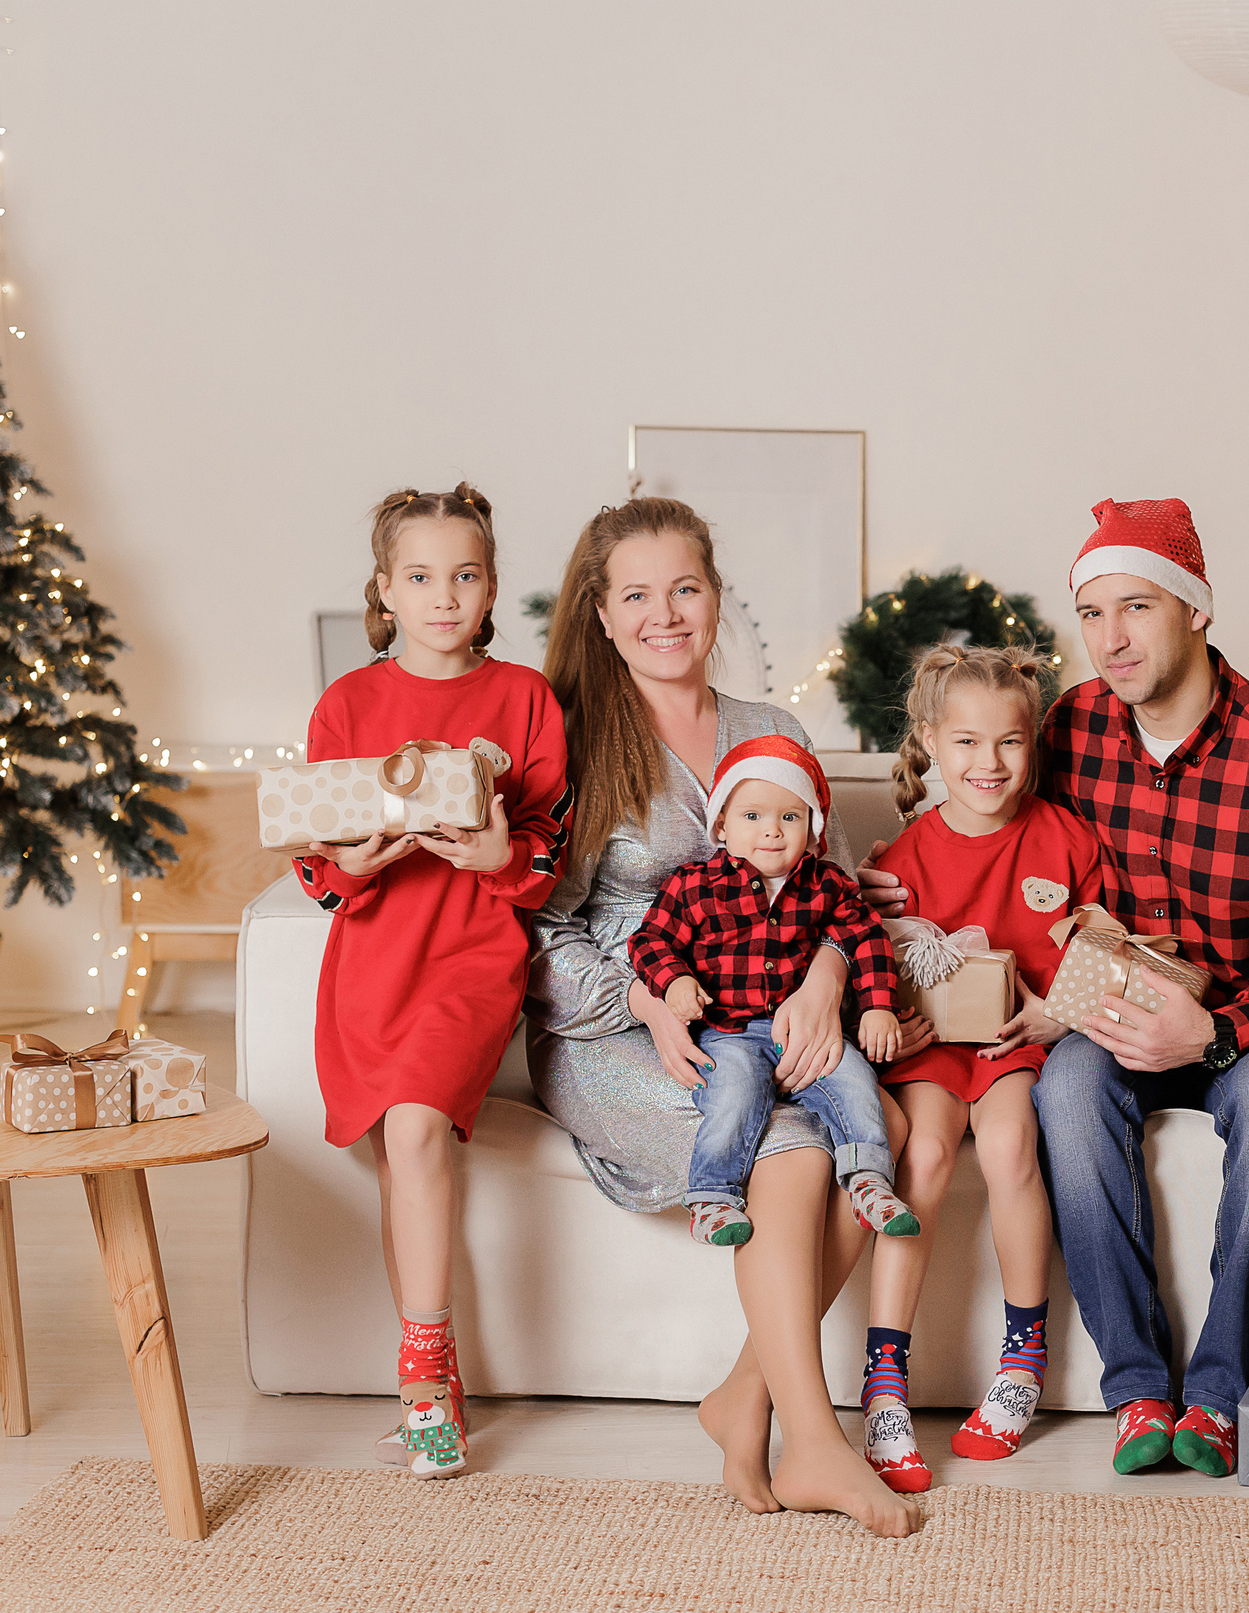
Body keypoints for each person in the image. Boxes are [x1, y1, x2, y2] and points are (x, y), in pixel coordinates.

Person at [860, 498, 1249, 1479]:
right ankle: (1138, 1391)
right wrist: (892, 880)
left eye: (1134, 608)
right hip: (1110, 1010)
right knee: (1067, 1089)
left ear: (1195, 610)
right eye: (1091, 614)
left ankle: (1216, 1394)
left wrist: (1217, 1032)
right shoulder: (1070, 726)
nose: (1111, 639)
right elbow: (987, 814)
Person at [524, 496, 925, 1537]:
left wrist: (829, 981)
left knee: (891, 1134)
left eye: (686, 589)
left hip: (765, 1010)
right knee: (791, 1151)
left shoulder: (774, 730)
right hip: (616, 1030)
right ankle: (819, 1443)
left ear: (715, 598)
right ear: (601, 615)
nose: (666, 615)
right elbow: (535, 935)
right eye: (638, 595)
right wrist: (646, 998)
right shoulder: (570, 742)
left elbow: (830, 890)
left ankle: (742, 1398)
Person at [294, 483, 572, 1480]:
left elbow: (545, 860)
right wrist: (350, 867)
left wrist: (498, 849)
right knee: (392, 1150)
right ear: (385, 588)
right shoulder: (349, 705)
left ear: (491, 586)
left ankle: (422, 1375)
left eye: (464, 575)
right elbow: (315, 857)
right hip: (371, 956)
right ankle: (432, 1371)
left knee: (414, 1128)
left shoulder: (525, 700)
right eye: (420, 577)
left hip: (471, 950)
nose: (444, 596)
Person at [856, 644, 1103, 1492]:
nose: (987, 764)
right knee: (921, 1158)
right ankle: (883, 1379)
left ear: (1033, 740)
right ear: (929, 740)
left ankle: (1021, 1361)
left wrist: (1055, 1012)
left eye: (1008, 743)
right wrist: (892, 1005)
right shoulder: (908, 855)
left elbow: (1103, 950)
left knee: (1007, 1149)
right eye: (964, 743)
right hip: (933, 1049)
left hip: (1019, 1044)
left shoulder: (1065, 838)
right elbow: (873, 962)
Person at [631, 735, 917, 1247]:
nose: (771, 831)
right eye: (752, 817)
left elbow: (867, 938)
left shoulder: (827, 885)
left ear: (813, 829)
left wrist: (878, 1007)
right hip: (728, 1031)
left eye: (790, 817)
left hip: (801, 1030)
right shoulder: (695, 885)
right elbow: (649, 940)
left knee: (854, 1079)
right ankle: (713, 1198)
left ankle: (869, 1180)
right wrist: (673, 981)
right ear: (721, 825)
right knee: (735, 1093)